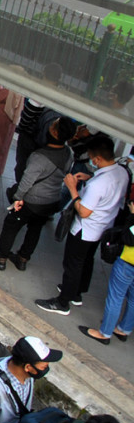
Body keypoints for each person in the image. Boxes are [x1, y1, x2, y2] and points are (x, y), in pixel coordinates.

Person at [36, 135, 128, 316]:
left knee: (72, 264)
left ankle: (63, 302)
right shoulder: (122, 172)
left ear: (97, 159)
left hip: (85, 230)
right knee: (86, 261)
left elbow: (84, 212)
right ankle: (76, 293)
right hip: (103, 227)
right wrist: (90, 176)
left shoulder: (98, 185)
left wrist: (72, 188)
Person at [0, 117, 76, 271]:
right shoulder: (68, 153)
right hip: (51, 200)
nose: (50, 125)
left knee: (11, 224)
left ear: (54, 131)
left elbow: (26, 182)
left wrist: (17, 198)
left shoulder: (40, 156)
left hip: (32, 201)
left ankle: (0, 258)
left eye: (53, 124)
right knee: (35, 228)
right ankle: (22, 258)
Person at [80, 201, 134, 344]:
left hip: (129, 262)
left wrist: (132, 216)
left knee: (115, 297)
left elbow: (129, 238)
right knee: (133, 299)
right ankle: (123, 330)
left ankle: (104, 333)